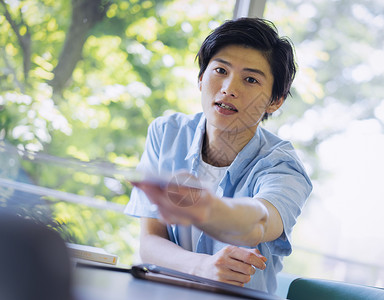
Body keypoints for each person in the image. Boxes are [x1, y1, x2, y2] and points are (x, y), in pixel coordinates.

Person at [124, 17, 312, 294]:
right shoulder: (167, 133)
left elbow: (259, 222)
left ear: (275, 101)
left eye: (250, 79)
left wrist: (206, 208)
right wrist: (202, 267)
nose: (229, 88)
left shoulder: (282, 165)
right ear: (201, 79)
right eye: (220, 70)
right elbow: (150, 242)